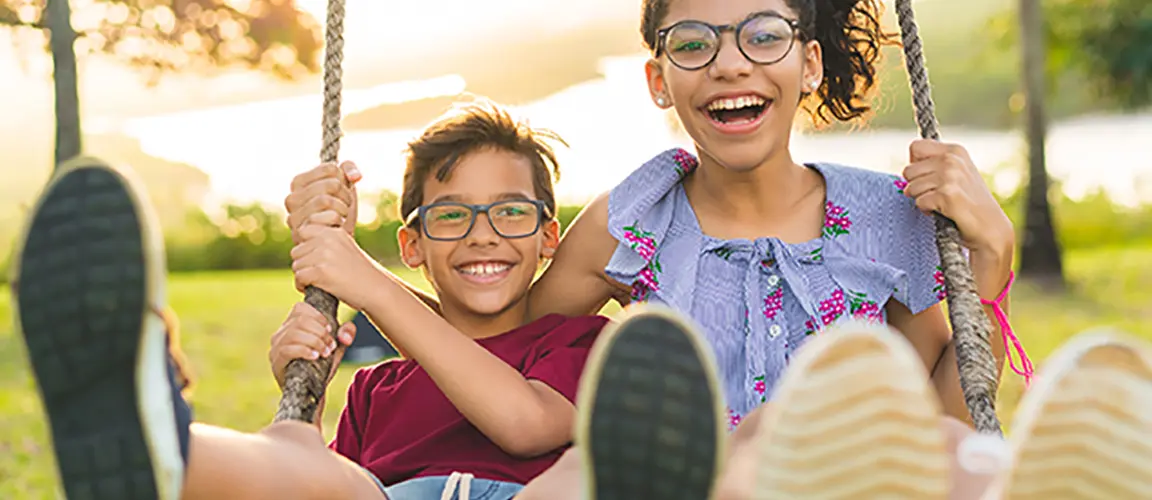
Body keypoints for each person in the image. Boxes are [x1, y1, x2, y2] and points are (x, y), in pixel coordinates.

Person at [282, 0, 1034, 497]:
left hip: (840, 481)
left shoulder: (886, 219)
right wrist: (350, 271)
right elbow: (500, 347)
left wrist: (989, 270)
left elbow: (942, 410)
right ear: (658, 79)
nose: (730, 63)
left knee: (928, 446)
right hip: (684, 488)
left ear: (809, 63)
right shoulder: (634, 222)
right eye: (693, 43)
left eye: (764, 34)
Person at [11, 103, 706, 500]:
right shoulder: (376, 387)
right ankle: (162, 446)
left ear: (550, 236)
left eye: (511, 214)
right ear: (412, 246)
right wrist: (301, 397)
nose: (482, 235)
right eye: (451, 217)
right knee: (304, 458)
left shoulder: (571, 342)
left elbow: (523, 425)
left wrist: (361, 281)